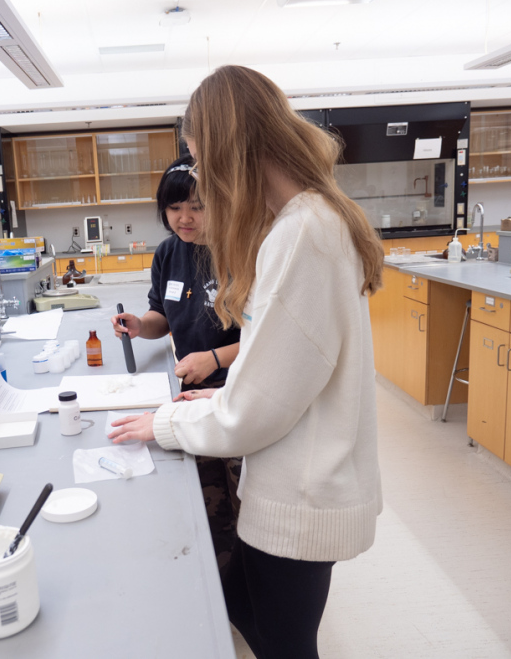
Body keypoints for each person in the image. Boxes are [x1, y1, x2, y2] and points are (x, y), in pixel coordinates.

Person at [109, 65, 385, 659]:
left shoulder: (300, 234)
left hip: (300, 493)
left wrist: (165, 423)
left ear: (227, 149)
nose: (200, 177)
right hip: (300, 480)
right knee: (247, 610)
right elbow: (291, 365)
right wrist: (225, 396)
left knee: (282, 643)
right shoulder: (310, 219)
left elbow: (258, 412)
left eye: (199, 157)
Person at [111, 155, 242, 572]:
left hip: (237, 393)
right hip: (190, 392)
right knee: (206, 494)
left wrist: (215, 358)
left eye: (197, 207)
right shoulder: (168, 253)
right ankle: (221, 578)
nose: (185, 218)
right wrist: (139, 325)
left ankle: (250, 577)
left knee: (244, 495)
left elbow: (267, 338)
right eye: (174, 208)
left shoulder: (239, 252)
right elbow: (162, 317)